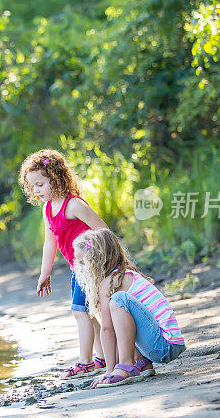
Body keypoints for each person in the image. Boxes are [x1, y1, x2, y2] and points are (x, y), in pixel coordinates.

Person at [19, 149, 110, 378]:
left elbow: (104, 231)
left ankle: (85, 361)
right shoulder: (48, 209)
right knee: (87, 312)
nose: (36, 191)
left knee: (79, 311)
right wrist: (44, 273)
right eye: (33, 186)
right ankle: (101, 358)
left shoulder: (74, 206)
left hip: (91, 266)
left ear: (56, 178)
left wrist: (88, 253)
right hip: (76, 269)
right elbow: (50, 244)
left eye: (40, 184)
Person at [71, 228, 186, 387]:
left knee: (119, 300)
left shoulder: (111, 282)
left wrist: (110, 371)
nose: (80, 269)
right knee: (119, 312)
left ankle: (126, 366)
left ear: (98, 260)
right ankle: (141, 363)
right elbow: (119, 330)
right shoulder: (122, 275)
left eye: (83, 263)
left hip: (164, 346)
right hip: (165, 344)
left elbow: (107, 330)